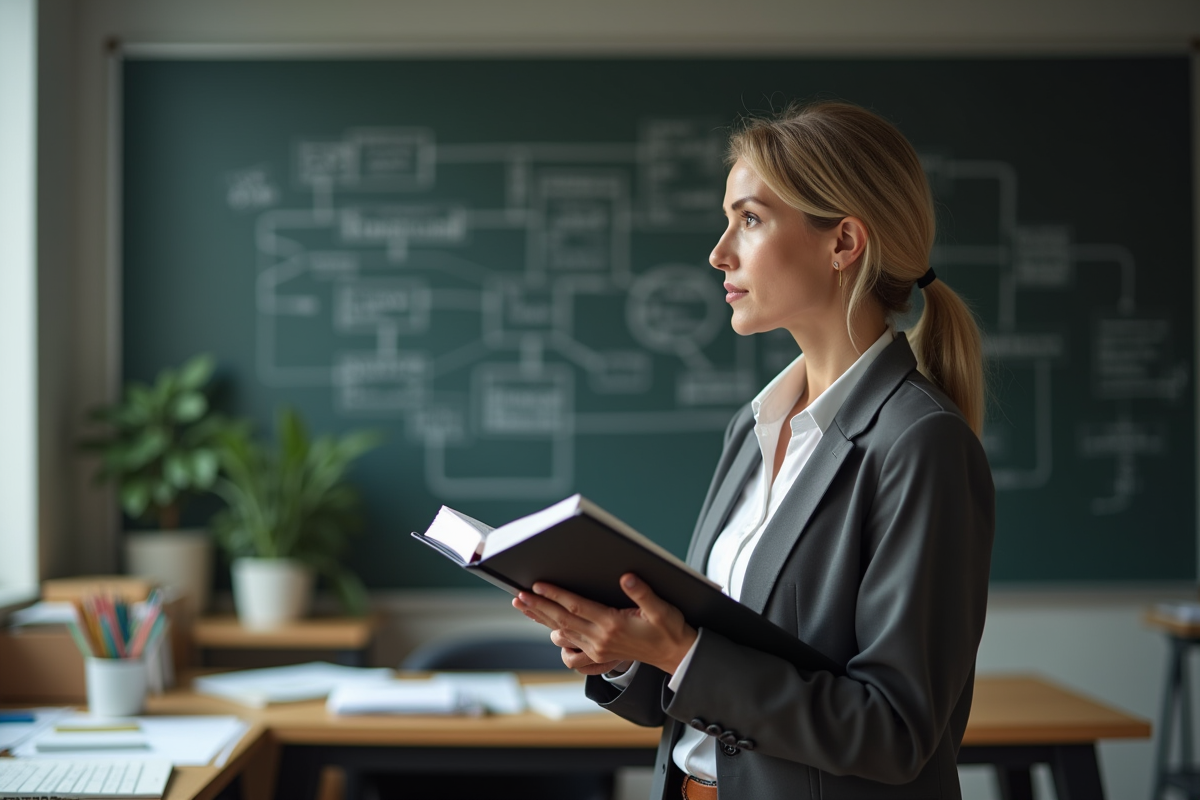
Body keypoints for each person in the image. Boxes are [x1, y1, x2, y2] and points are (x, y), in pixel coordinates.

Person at [513, 101, 995, 800]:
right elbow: (703, 684)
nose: (719, 252)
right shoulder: (757, 425)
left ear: (843, 243)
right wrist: (627, 650)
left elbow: (894, 732)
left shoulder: (920, 443)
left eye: (750, 218)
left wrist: (680, 651)